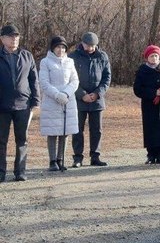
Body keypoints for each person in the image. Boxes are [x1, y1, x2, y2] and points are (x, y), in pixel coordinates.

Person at [0, 24, 40, 182]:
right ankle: (1, 172)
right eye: (10, 36)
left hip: (23, 105)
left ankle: (20, 171)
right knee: (1, 141)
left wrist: (36, 100)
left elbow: (33, 79)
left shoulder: (26, 56)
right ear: (2, 39)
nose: (14, 39)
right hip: (2, 106)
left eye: (16, 36)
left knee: (22, 139)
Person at [70, 31, 112, 167]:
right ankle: (78, 157)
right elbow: (70, 78)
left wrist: (97, 93)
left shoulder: (102, 56)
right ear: (82, 44)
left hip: (97, 99)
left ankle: (95, 156)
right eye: (89, 45)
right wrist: (82, 94)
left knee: (96, 129)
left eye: (94, 45)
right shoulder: (73, 57)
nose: (91, 48)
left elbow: (107, 78)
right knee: (77, 129)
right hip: (79, 99)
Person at [38, 36, 79, 172]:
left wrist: (66, 93)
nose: (60, 50)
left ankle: (61, 159)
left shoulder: (70, 62)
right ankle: (52, 161)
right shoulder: (45, 62)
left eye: (63, 47)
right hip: (51, 100)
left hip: (67, 101)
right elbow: (44, 82)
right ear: (52, 48)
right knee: (52, 132)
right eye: (58, 47)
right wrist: (57, 94)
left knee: (65, 131)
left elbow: (75, 81)